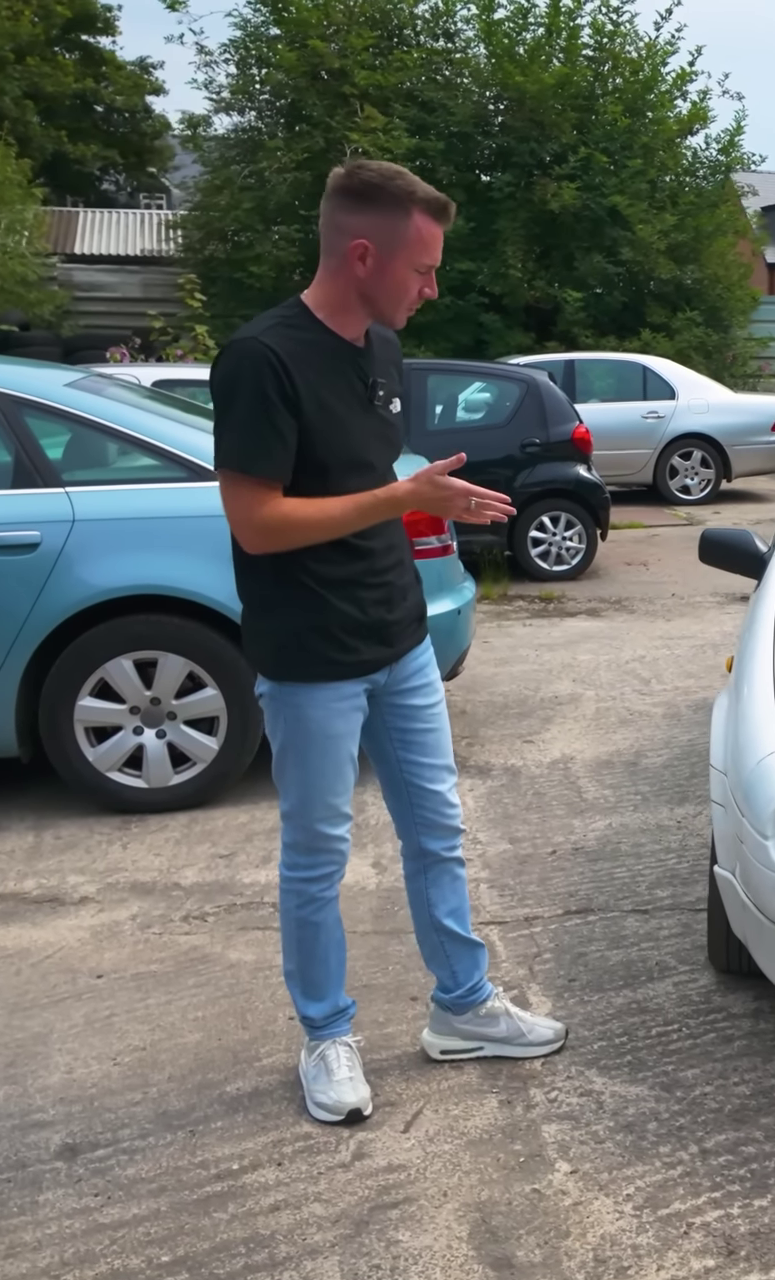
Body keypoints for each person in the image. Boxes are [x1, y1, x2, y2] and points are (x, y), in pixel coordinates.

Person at [211, 159, 566, 1126]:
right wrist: (404, 496)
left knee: (437, 831)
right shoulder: (261, 360)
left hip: (398, 635)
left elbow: (369, 480)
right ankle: (328, 1037)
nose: (433, 288)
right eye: (421, 269)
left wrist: (423, 496)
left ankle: (462, 1008)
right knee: (318, 853)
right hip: (308, 653)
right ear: (362, 254)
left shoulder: (378, 348)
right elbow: (259, 522)